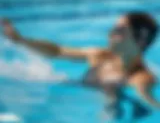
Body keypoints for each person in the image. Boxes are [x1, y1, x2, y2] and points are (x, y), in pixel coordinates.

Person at [1, 12, 159, 118]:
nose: (110, 33)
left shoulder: (141, 76)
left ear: (140, 40)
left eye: (119, 30)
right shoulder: (100, 55)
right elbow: (57, 51)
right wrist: (20, 40)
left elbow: (146, 98)